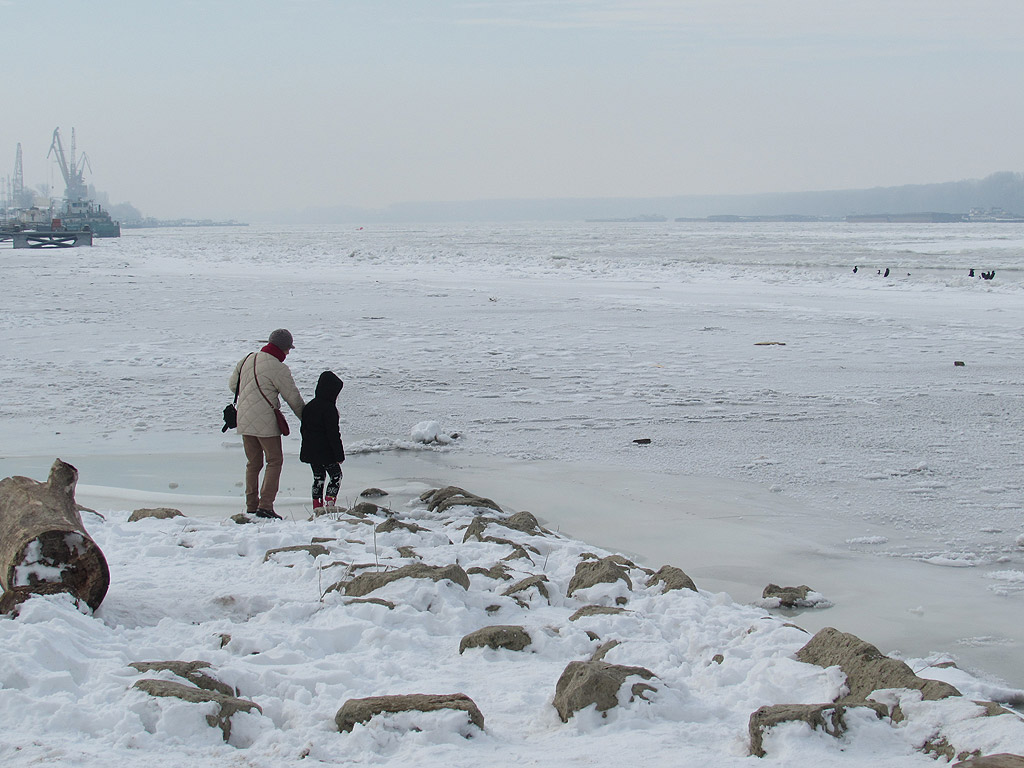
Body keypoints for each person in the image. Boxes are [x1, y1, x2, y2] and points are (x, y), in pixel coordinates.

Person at [228, 328, 305, 519]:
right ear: (283, 348)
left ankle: (251, 505)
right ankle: (266, 506)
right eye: (288, 349)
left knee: (253, 463)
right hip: (266, 424)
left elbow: (233, 386)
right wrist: (308, 420)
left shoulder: (247, 359)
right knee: (274, 460)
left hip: (244, 420)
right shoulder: (279, 368)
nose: (288, 353)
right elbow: (293, 398)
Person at [299, 370, 345, 509]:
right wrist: (339, 455)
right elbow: (333, 434)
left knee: (318, 478)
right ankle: (330, 502)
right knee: (336, 476)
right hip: (326, 452)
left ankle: (317, 506)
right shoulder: (329, 409)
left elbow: (303, 429)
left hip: (311, 451)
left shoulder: (309, 406)